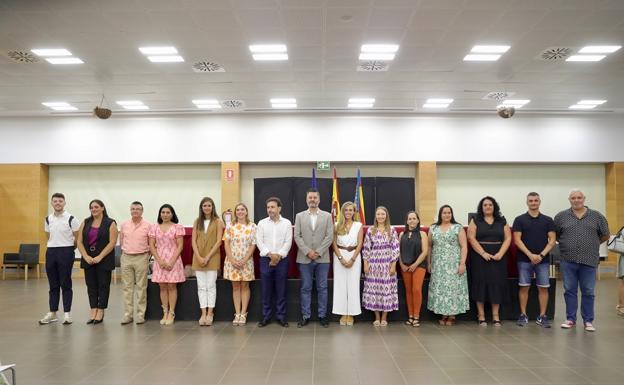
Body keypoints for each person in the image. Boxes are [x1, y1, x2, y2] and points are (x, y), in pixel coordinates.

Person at [554, 189, 609, 331]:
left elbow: (605, 235)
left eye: (579, 197)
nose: (576, 200)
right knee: (569, 290)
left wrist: (592, 243)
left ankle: (588, 321)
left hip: (589, 260)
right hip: (568, 259)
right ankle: (570, 319)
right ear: (569, 199)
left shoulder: (597, 216)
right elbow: (556, 235)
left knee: (588, 291)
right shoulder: (561, 217)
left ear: (584, 199)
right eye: (573, 198)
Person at [512, 192, 556, 328]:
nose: (533, 203)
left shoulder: (548, 220)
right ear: (527, 202)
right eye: (531, 201)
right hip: (524, 260)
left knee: (543, 288)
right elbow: (517, 240)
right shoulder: (519, 219)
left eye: (536, 200)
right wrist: (530, 255)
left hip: (542, 261)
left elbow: (552, 240)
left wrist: (541, 255)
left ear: (539, 202)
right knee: (524, 287)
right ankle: (523, 315)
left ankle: (542, 316)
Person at [467, 196, 511, 326]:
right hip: (479, 258)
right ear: (481, 207)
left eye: (490, 205)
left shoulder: (502, 220)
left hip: (498, 258)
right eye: (485, 205)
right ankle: (481, 316)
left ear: (494, 206)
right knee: (480, 284)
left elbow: (508, 238)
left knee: (496, 284)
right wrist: (483, 253)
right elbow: (471, 238)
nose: (487, 207)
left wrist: (500, 254)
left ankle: (496, 316)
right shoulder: (475, 220)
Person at [294, 188, 334, 328]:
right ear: (306, 199)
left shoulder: (328, 216)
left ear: (319, 199)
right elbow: (297, 236)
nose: (312, 200)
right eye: (310, 197)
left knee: (322, 288)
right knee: (305, 288)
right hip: (305, 258)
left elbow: (330, 236)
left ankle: (322, 316)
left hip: (322, 258)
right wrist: (307, 252)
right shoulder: (299, 216)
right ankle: (306, 316)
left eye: (315, 198)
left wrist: (318, 252)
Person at [39, 193, 80, 325]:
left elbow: (77, 238)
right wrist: (55, 246)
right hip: (51, 252)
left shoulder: (71, 218)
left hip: (66, 251)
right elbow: (48, 236)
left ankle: (67, 314)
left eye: (60, 201)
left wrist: (68, 250)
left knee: (65, 283)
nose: (57, 203)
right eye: (55, 201)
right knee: (53, 284)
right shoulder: (47, 219)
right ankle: (52, 313)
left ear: (64, 203)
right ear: (52, 203)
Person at [76, 199, 118, 324]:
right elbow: (79, 241)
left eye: (96, 207)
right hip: (88, 259)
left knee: (103, 286)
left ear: (102, 208)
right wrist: (85, 256)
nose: (94, 209)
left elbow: (112, 242)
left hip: (104, 259)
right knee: (91, 286)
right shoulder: (85, 222)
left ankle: (100, 310)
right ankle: (93, 310)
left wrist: (100, 256)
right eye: (91, 207)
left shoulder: (110, 223)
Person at [427, 205, 469, 326]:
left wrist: (462, 264)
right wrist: (429, 262)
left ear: (452, 214)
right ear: (440, 214)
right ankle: (443, 314)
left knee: (453, 289)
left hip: (453, 264)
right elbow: (429, 246)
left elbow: (464, 246)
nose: (446, 215)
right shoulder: (433, 228)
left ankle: (452, 315)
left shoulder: (458, 227)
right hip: (438, 265)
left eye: (449, 212)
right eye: (444, 213)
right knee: (441, 289)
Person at [256, 197, 292, 327]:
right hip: (266, 260)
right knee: (266, 291)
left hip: (282, 261)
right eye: (268, 207)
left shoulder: (287, 223)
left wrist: (278, 256)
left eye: (272, 207)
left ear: (279, 208)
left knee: (281, 290)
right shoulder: (261, 223)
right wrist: (271, 255)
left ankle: (281, 317)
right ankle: (266, 317)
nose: (270, 209)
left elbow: (288, 242)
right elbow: (259, 242)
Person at [362, 206, 400, 326]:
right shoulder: (370, 230)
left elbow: (395, 248)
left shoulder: (392, 230)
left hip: (387, 264)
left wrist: (393, 265)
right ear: (375, 216)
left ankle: (384, 317)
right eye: (378, 214)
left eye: (382, 214)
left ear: (386, 216)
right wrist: (366, 265)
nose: (380, 216)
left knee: (386, 290)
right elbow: (366, 248)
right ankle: (377, 317)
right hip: (373, 265)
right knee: (375, 291)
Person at [149, 204, 185, 326]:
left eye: (168, 212)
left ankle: (171, 313)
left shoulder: (177, 227)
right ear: (160, 214)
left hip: (173, 260)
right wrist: (159, 260)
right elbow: (152, 246)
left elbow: (180, 245)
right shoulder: (154, 227)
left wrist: (172, 261)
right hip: (160, 261)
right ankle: (164, 312)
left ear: (172, 214)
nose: (165, 214)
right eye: (163, 212)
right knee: (162, 286)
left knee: (171, 286)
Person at [191, 197, 224, 326]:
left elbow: (218, 241)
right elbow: (193, 240)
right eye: (204, 205)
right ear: (201, 207)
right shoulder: (197, 221)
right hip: (198, 257)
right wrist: (199, 257)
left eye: (209, 205)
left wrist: (208, 257)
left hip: (213, 257)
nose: (207, 208)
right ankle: (203, 313)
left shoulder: (218, 221)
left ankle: (210, 313)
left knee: (210, 286)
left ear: (212, 207)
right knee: (201, 287)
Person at [223, 203, 257, 326]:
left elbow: (253, 244)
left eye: (242, 209)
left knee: (245, 286)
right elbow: (226, 243)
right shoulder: (230, 226)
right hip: (232, 261)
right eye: (238, 210)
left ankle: (243, 313)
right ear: (235, 212)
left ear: (246, 212)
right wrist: (232, 259)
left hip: (246, 261)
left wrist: (244, 259)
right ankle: (237, 313)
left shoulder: (253, 226)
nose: (240, 212)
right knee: (236, 286)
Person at [119, 201, 151, 325]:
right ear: (130, 210)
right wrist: (125, 254)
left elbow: (151, 243)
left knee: (141, 287)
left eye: (138, 209)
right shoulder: (124, 225)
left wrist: (147, 257)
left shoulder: (148, 225)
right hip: (126, 257)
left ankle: (140, 315)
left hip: (141, 257)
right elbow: (122, 241)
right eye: (133, 209)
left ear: (142, 211)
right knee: (127, 288)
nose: (135, 211)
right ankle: (128, 315)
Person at [331, 201, 363, 326]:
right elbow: (333, 242)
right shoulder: (337, 224)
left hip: (354, 256)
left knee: (353, 284)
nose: (348, 212)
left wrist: (353, 259)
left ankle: (351, 314)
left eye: (351, 210)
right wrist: (340, 257)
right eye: (346, 210)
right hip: (340, 256)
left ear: (354, 212)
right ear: (342, 212)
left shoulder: (358, 225)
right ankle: (343, 312)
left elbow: (360, 243)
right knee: (340, 285)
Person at [399, 211, 428, 327]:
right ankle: (410, 315)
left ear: (418, 220)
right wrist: (401, 264)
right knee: (408, 291)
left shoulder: (422, 234)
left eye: (414, 218)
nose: (412, 221)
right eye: (410, 219)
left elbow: (425, 251)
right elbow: (398, 251)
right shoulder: (402, 234)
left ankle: (417, 316)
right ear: (407, 221)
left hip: (419, 265)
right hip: (405, 266)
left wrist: (415, 264)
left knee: (416, 289)